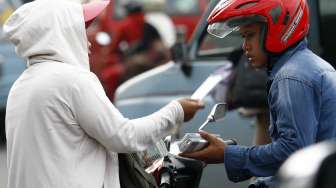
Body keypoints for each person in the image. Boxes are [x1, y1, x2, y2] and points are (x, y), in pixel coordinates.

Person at [3, 0, 204, 188]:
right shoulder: (73, 81)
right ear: (62, 33)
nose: (88, 43)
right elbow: (125, 136)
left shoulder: (21, 86)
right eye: (81, 30)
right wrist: (176, 111)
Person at [180, 0, 336, 187]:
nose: (245, 46)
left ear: (277, 30)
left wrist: (227, 154)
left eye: (250, 36)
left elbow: (293, 154)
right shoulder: (304, 66)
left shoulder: (290, 77)